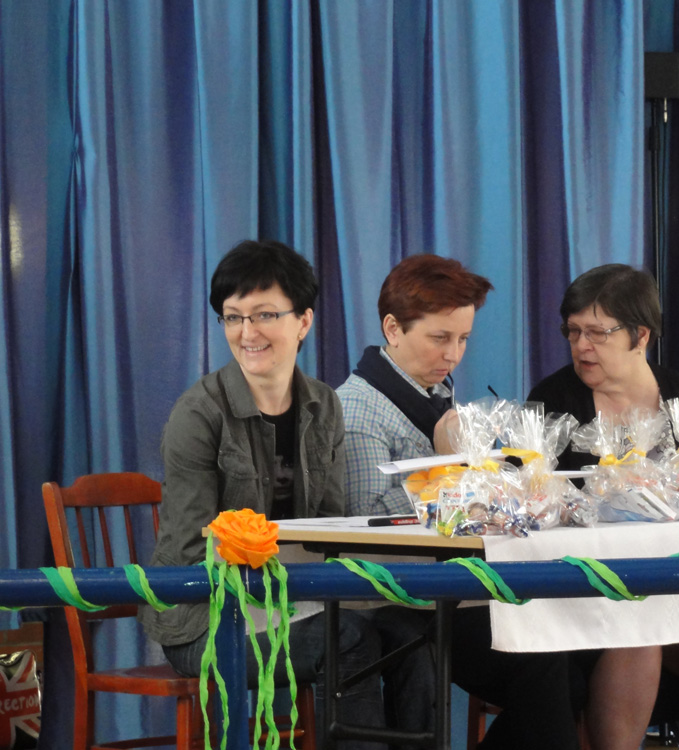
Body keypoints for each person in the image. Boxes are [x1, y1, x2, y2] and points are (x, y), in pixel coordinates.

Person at [138, 239, 385, 749]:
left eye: (265, 315)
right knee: (351, 640)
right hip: (204, 620)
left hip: (292, 601)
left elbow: (332, 529)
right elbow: (189, 550)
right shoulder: (198, 414)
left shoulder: (324, 405)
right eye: (233, 318)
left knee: (412, 637)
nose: (247, 333)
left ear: (304, 321)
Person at [337, 254, 582, 750]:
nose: (453, 354)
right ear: (393, 328)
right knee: (547, 661)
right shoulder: (359, 409)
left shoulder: (433, 392)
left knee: (577, 656)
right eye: (440, 338)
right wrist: (448, 467)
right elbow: (366, 522)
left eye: (463, 339)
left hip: (456, 584)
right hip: (398, 596)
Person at [528, 263, 679, 750]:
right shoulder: (552, 402)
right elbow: (534, 508)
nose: (581, 346)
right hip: (590, 594)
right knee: (638, 640)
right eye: (573, 331)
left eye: (597, 333)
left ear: (640, 335)